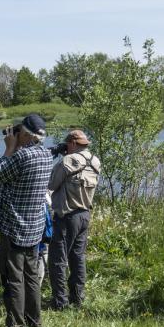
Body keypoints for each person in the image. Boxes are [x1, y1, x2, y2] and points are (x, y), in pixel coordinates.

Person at [0, 114, 53, 327]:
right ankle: (34, 322)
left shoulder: (21, 157)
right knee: (31, 276)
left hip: (15, 227)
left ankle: (16, 325)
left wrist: (9, 148)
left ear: (26, 134)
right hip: (34, 227)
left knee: (14, 278)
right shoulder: (46, 155)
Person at [47, 129, 101, 309]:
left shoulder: (68, 161)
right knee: (78, 258)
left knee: (58, 260)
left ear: (72, 144)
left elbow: (51, 184)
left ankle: (59, 301)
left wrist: (60, 157)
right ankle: (77, 298)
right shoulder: (95, 161)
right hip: (85, 215)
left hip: (67, 216)